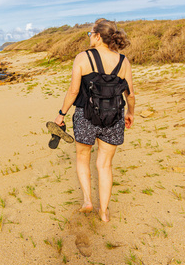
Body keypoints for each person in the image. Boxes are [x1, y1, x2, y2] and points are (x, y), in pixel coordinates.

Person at [54, 18, 135, 222]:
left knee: (83, 158)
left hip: (85, 115)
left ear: (98, 36)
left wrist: (61, 114)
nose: (89, 36)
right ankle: (104, 212)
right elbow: (130, 95)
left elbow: (73, 91)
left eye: (90, 33)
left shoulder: (83, 58)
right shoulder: (123, 61)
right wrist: (130, 113)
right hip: (114, 118)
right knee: (105, 165)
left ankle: (88, 201)